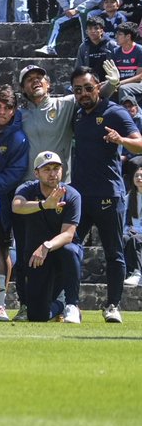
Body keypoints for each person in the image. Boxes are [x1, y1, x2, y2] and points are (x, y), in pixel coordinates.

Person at [70, 66, 141, 323]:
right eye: (78, 90)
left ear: (98, 87)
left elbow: (139, 143)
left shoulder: (115, 112)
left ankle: (112, 306)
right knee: (69, 249)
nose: (84, 93)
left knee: (114, 252)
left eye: (88, 88)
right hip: (79, 196)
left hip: (109, 195)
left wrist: (121, 140)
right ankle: (71, 304)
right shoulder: (77, 114)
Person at [12, 152, 83, 322]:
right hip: (37, 256)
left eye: (56, 168)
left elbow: (68, 234)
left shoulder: (72, 195)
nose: (52, 173)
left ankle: (72, 305)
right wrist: (44, 205)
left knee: (69, 250)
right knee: (37, 316)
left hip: (60, 252)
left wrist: (46, 246)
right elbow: (17, 206)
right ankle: (60, 305)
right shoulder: (27, 189)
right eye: (47, 169)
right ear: (36, 173)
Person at [0, 84, 29, 321]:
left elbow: (16, 171)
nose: (1, 111)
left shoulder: (17, 137)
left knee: (1, 247)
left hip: (5, 201)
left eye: (7, 107)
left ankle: (0, 303)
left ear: (14, 110)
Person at [76, 15, 120, 81]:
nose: (93, 31)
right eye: (90, 29)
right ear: (87, 31)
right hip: (90, 82)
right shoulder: (83, 47)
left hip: (109, 82)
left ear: (101, 31)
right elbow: (79, 67)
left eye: (96, 28)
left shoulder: (112, 45)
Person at [125, 168, 142, 287]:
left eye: (141, 175)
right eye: (136, 176)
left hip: (138, 233)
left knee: (135, 239)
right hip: (133, 230)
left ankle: (137, 273)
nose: (139, 178)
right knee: (124, 238)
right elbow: (123, 218)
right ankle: (126, 272)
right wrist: (127, 230)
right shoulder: (130, 196)